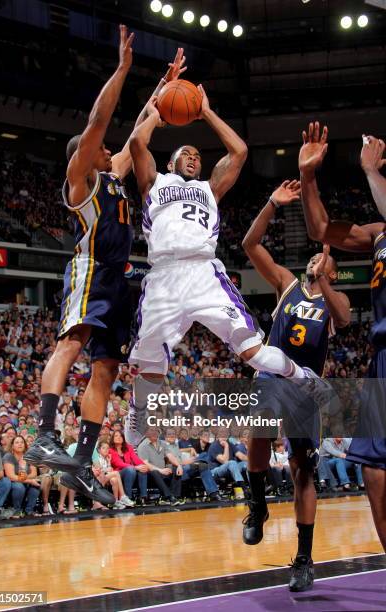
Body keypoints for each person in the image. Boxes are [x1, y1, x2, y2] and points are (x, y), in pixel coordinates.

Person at [24, 29, 187, 507]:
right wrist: (120, 70)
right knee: (70, 342)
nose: (109, 148)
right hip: (91, 269)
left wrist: (163, 87)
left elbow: (139, 127)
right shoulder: (81, 181)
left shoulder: (113, 175)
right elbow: (101, 118)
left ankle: (80, 462)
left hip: (119, 279)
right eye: (100, 146)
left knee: (106, 368)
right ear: (85, 153)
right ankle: (45, 431)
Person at [125, 94, 325, 447]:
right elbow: (138, 142)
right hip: (163, 277)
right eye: (185, 154)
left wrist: (205, 111)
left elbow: (239, 151)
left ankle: (302, 376)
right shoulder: (154, 183)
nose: (193, 158)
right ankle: (138, 410)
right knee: (151, 362)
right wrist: (156, 112)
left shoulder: (210, 189)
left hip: (204, 274)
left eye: (197, 156)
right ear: (170, 165)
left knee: (254, 352)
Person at [241, 178, 351, 592]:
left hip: (307, 388)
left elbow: (341, 318)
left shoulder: (334, 299)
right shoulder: (286, 284)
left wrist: (325, 280)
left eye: (323, 265)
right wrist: (271, 203)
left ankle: (304, 559)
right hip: (273, 377)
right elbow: (251, 246)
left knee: (303, 470)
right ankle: (256, 506)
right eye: (312, 262)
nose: (313, 263)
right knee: (259, 427)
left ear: (333, 273)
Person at [298, 121, 386, 552]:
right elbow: (321, 230)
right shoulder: (378, 233)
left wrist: (371, 172)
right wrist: (308, 176)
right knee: (372, 468)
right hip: (382, 357)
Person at [3, 435, 41, 518]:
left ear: (25, 445)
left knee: (36, 486)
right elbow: (11, 476)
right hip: (13, 483)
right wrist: (29, 480)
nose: (20, 444)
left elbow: (34, 473)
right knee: (19, 486)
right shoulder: (8, 456)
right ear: (12, 446)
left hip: (24, 480)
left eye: (22, 442)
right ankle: (17, 511)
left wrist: (25, 477)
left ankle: (29, 511)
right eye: (17, 442)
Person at [108, 430, 149, 504]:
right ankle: (127, 497)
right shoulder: (110, 450)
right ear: (112, 438)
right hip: (117, 473)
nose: (119, 437)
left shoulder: (128, 447)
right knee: (130, 469)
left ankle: (143, 497)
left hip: (130, 471)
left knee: (142, 470)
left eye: (120, 436)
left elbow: (135, 458)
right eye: (116, 436)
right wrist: (136, 467)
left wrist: (144, 466)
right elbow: (118, 463)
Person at [93, 439, 133, 510]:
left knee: (114, 480)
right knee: (116, 473)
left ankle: (115, 502)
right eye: (103, 448)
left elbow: (109, 470)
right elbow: (99, 470)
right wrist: (107, 469)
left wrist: (108, 462)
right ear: (99, 450)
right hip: (98, 479)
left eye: (107, 448)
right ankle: (123, 496)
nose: (106, 450)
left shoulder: (106, 458)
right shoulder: (97, 457)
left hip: (105, 478)